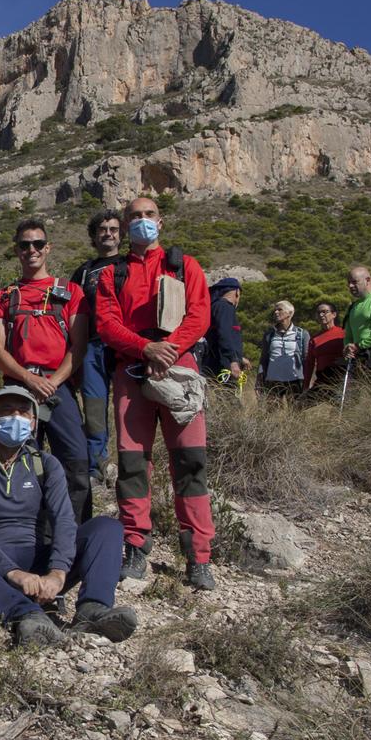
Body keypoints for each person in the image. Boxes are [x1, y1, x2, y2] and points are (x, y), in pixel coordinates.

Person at [0, 387, 131, 648]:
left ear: (33, 423)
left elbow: (64, 518)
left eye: (23, 412)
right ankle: (24, 615)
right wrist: (12, 572)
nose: (15, 417)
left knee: (106, 528)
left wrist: (58, 573)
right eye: (6, 410)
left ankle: (93, 608)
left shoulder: (45, 464)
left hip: (37, 560)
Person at [94, 194, 216, 590]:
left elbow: (200, 316)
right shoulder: (113, 275)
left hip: (179, 370)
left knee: (190, 463)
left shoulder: (186, 266)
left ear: (160, 223)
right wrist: (145, 347)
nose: (142, 221)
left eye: (149, 215)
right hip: (132, 371)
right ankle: (136, 545)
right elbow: (106, 324)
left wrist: (170, 348)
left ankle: (198, 556)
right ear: (125, 225)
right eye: (135, 216)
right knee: (132, 464)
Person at [0, 217, 93, 519]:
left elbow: (78, 346)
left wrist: (53, 381)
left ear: (48, 248)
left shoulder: (70, 291)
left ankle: (73, 530)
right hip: (19, 388)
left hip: (58, 388)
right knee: (17, 457)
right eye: (24, 245)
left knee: (74, 458)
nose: (31, 250)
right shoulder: (4, 297)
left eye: (37, 244)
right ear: (17, 250)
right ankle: (21, 528)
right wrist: (29, 379)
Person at [68, 209, 126, 481]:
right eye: (102, 230)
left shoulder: (129, 265)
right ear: (93, 236)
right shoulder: (83, 272)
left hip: (125, 346)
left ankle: (131, 463)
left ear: (121, 234)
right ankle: (97, 466)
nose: (108, 234)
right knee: (94, 409)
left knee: (128, 408)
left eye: (114, 229)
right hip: (92, 348)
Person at [258, 301, 313, 401]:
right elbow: (264, 358)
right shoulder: (269, 335)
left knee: (295, 413)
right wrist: (259, 379)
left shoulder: (302, 334)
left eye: (280, 309)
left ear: (290, 313)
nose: (276, 312)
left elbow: (307, 359)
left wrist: (307, 381)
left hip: (295, 380)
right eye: (275, 310)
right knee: (270, 414)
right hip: (272, 381)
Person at [198, 277, 247, 386]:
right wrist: (233, 361)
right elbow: (225, 334)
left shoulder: (214, 306)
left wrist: (240, 358)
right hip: (223, 365)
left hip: (211, 362)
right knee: (230, 399)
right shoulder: (225, 307)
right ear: (237, 293)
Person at [303, 301, 345, 395]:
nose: (321, 315)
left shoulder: (343, 333)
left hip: (341, 376)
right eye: (318, 313)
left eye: (324, 312)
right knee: (302, 405)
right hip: (322, 378)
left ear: (334, 314)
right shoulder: (314, 339)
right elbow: (310, 363)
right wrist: (306, 386)